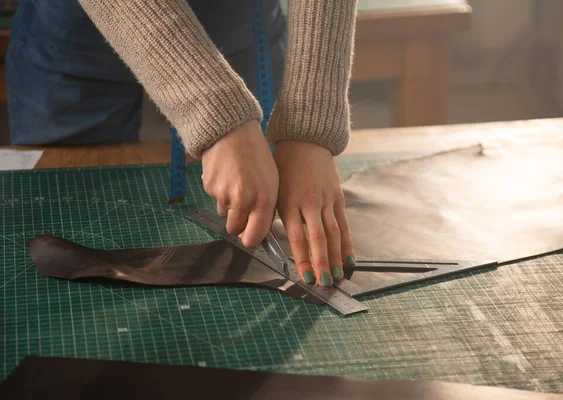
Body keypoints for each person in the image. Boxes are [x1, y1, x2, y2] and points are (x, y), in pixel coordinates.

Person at [5, 0, 358, 287]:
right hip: (78, 40)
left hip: (242, 31)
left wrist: (309, 123)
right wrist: (217, 111)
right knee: (66, 215)